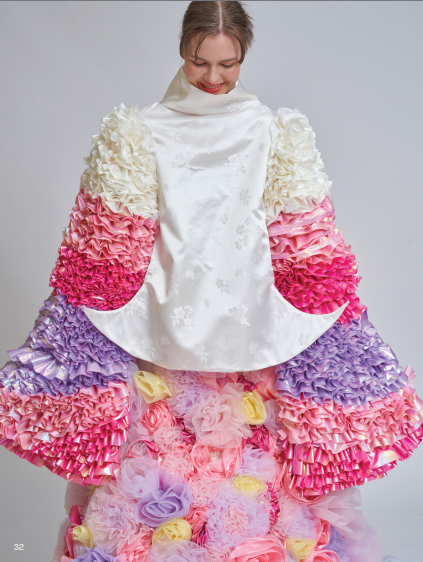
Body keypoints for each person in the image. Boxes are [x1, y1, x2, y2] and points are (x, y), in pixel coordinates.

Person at [0, 2, 420, 561]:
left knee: (254, 458)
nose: (214, 78)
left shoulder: (271, 130)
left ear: (244, 56)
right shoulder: (141, 130)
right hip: (163, 319)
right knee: (164, 446)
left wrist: (321, 295)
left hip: (252, 320)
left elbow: (297, 228)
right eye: (201, 62)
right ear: (182, 51)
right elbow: (111, 235)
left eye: (229, 63)